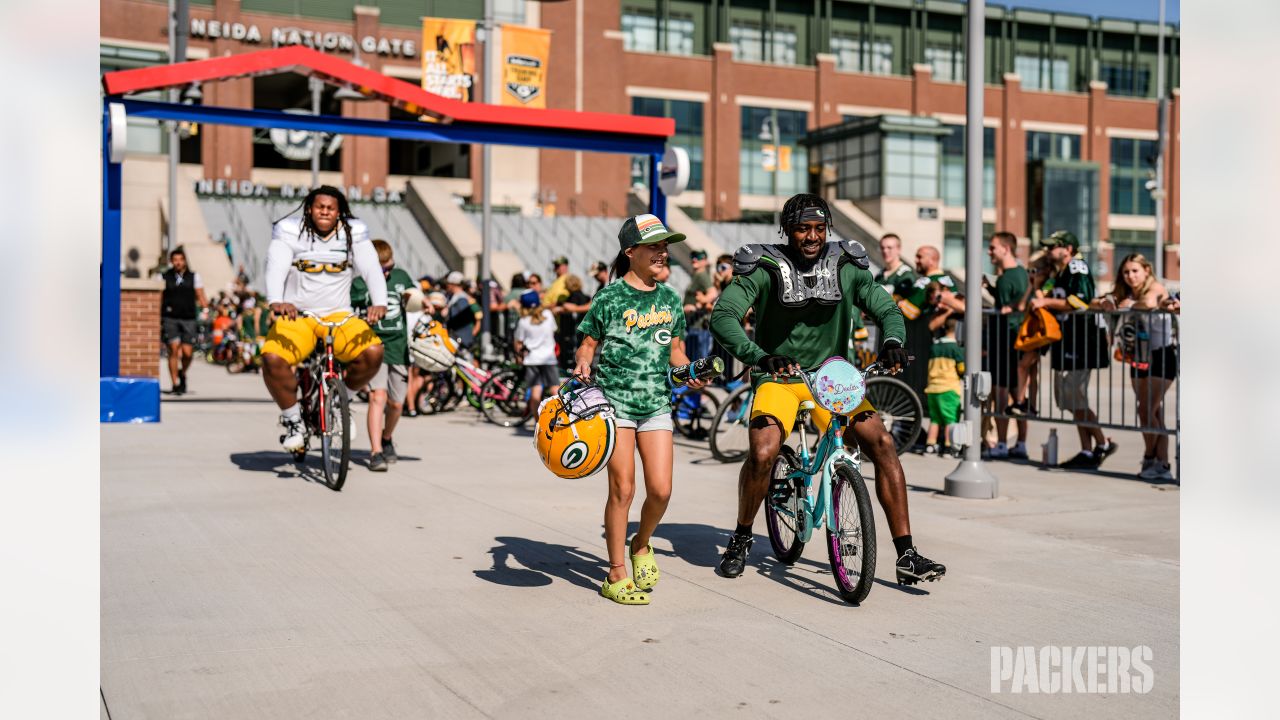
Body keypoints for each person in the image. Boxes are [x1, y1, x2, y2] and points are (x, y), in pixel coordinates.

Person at [710, 194, 946, 585]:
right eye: (803, 228)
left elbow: (886, 309)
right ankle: (741, 536)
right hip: (779, 376)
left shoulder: (847, 265)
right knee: (764, 452)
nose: (812, 237)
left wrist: (892, 341)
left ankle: (906, 554)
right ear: (787, 230)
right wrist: (758, 355)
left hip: (831, 378)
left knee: (882, 444)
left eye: (820, 228)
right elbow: (724, 315)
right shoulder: (763, 266)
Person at [574, 214, 706, 606]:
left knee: (662, 490)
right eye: (654, 246)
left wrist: (686, 373)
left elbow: (676, 349)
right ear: (631, 252)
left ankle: (641, 543)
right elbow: (587, 342)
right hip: (615, 405)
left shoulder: (669, 298)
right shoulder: (609, 297)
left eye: (665, 245)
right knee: (624, 488)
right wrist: (583, 360)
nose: (663, 252)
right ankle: (615, 573)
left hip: (656, 404)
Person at [261, 186, 387, 452]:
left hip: (339, 315)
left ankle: (341, 404)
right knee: (272, 359)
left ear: (339, 211)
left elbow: (372, 268)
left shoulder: (354, 233)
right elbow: (276, 266)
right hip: (299, 314)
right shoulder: (289, 231)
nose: (325, 211)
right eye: (320, 206)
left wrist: (380, 303)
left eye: (331, 208)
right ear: (309, 208)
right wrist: (276, 300)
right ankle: (293, 421)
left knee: (373, 351)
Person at [1028, 230, 1117, 470]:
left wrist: (1046, 302)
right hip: (1066, 341)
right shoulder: (1059, 273)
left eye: (1052, 247)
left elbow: (1080, 301)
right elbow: (1041, 300)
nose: (1048, 251)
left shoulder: (1077, 267)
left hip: (1081, 340)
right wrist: (1038, 286)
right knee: (1070, 399)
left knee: (1075, 396)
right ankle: (1087, 450)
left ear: (1067, 249)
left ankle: (1101, 443)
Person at [1093, 253, 1176, 480]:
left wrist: (1129, 305)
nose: (1130, 276)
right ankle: (1162, 465)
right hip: (1138, 354)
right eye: (1126, 272)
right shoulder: (1127, 292)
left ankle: (1150, 456)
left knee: (1146, 409)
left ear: (1146, 270)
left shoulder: (1156, 288)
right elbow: (1097, 301)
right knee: (1153, 412)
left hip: (1161, 356)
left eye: (1135, 271)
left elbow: (1149, 303)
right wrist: (1106, 302)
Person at [352, 240, 415, 472]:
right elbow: (349, 310)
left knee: (397, 403)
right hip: (374, 346)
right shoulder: (359, 284)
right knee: (377, 397)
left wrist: (425, 303)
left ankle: (387, 437)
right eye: (382, 270)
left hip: (398, 346)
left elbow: (414, 298)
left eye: (389, 267)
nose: (387, 273)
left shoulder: (401, 277)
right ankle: (375, 451)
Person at [984, 231, 1030, 459]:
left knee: (1001, 392)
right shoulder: (1021, 274)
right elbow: (1011, 303)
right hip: (1018, 341)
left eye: (993, 247)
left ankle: (1001, 443)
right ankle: (1021, 443)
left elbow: (1007, 308)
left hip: (1004, 340)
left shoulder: (1007, 277)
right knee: (1017, 394)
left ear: (1006, 248)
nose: (989, 251)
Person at [160, 247, 208, 395]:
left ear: (185, 261)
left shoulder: (194, 276)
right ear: (171, 262)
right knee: (173, 350)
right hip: (170, 317)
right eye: (175, 260)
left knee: (187, 353)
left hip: (189, 318)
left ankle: (182, 373)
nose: (178, 263)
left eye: (180, 260)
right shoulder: (164, 276)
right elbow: (160, 297)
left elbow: (200, 295)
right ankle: (175, 383)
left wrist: (205, 309)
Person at [513, 290, 559, 421]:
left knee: (535, 392)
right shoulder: (548, 315)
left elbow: (519, 342)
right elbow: (553, 331)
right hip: (549, 358)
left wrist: (518, 355)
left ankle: (539, 423)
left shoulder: (523, 321)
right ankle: (561, 419)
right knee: (555, 390)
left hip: (532, 359)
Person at [924, 316, 965, 457]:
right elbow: (961, 369)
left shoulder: (935, 346)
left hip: (932, 388)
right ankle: (948, 446)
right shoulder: (956, 348)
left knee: (935, 419)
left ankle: (930, 445)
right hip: (949, 388)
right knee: (950, 419)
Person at [682, 249, 718, 361]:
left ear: (705, 261)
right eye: (693, 256)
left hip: (699, 326)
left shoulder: (702, 275)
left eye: (698, 257)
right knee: (693, 361)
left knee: (699, 362)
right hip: (693, 325)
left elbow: (713, 293)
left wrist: (697, 306)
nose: (694, 259)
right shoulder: (697, 275)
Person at [552, 275, 592, 372]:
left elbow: (571, 308)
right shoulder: (586, 297)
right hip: (582, 330)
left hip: (570, 332)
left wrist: (562, 309)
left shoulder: (570, 298)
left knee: (570, 355)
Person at [443, 271, 482, 350]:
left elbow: (478, 320)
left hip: (461, 342)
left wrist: (469, 336)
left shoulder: (465, 299)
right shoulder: (452, 297)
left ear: (453, 284)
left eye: (449, 283)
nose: (447, 285)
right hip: (454, 338)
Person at [874, 233, 917, 299]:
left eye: (889, 248)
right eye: (882, 248)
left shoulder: (906, 275)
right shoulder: (879, 275)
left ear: (899, 249)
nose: (885, 251)